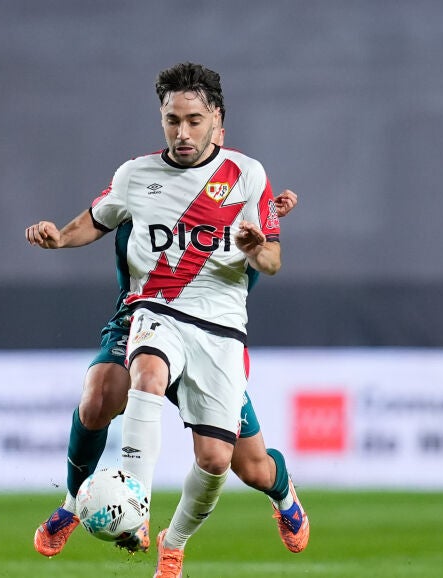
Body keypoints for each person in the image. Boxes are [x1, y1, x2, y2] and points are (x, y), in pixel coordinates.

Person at [27, 62, 282, 577]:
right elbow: (94, 220)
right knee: (120, 384)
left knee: (227, 462)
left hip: (217, 329)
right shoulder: (135, 175)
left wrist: (258, 249)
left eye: (193, 120)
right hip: (153, 309)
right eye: (172, 120)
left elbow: (272, 261)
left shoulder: (246, 175)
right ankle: (120, 506)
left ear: (217, 119)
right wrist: (60, 239)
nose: (181, 132)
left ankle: (189, 533)